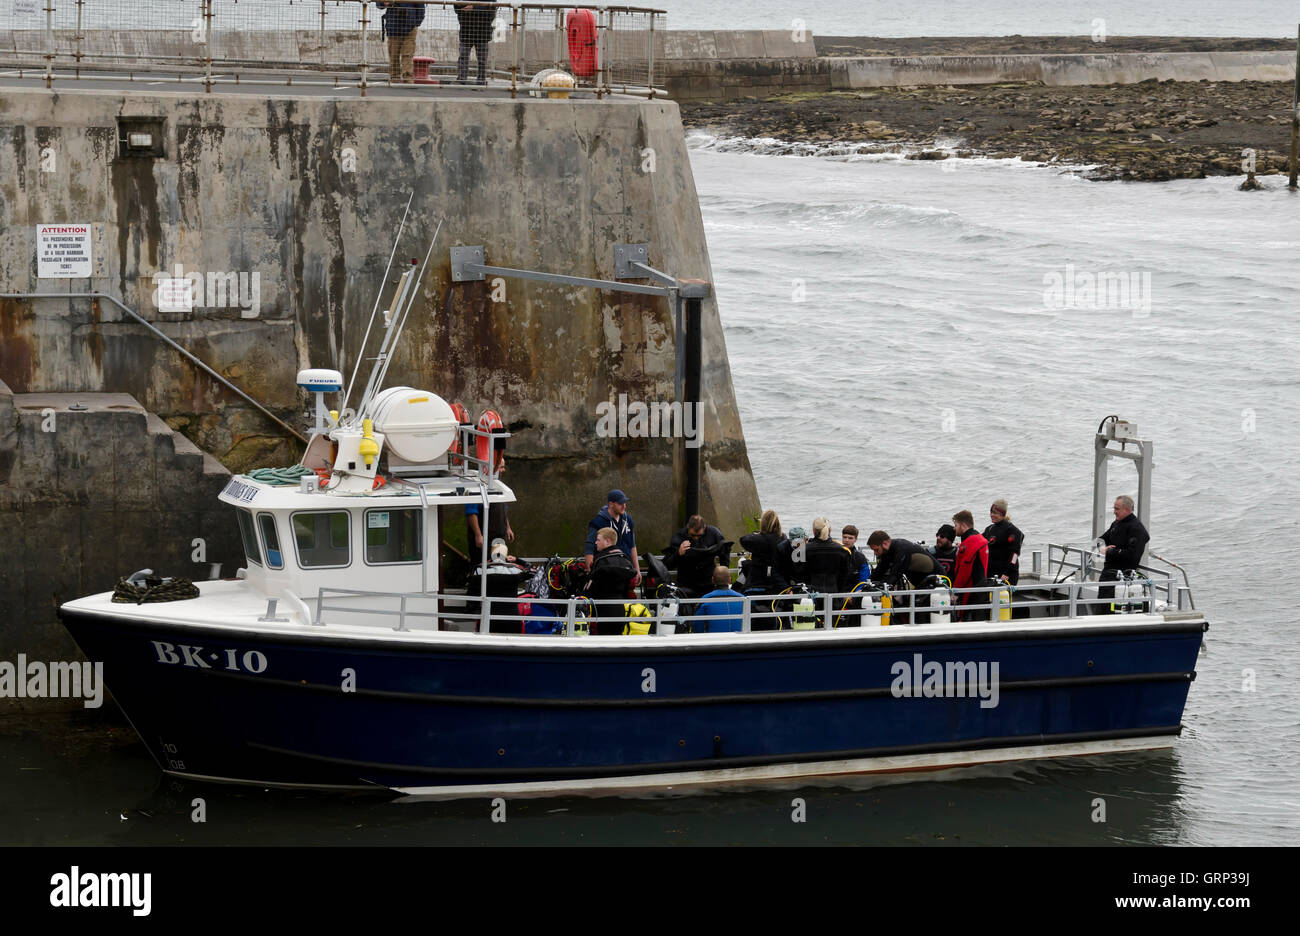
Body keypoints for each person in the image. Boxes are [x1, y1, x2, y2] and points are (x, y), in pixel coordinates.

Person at [1098, 494, 1150, 613]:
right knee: (1102, 608)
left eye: (1117, 509)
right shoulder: (1116, 523)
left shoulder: (1136, 529)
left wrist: (1110, 551)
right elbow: (1100, 540)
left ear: (1126, 510)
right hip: (1107, 575)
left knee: (1112, 611)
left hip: (1123, 579)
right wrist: (1102, 548)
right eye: (1114, 508)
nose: (1114, 512)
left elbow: (1132, 556)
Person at [585, 527, 638, 633]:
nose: (596, 542)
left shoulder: (600, 560)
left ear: (607, 541)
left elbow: (592, 587)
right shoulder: (625, 559)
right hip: (621, 608)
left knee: (602, 643)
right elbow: (628, 586)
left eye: (598, 540)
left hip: (602, 609)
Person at [664, 514, 730, 598]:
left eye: (699, 535)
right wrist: (678, 553)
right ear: (688, 527)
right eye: (692, 535)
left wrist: (723, 576)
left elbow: (725, 552)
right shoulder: (679, 536)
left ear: (704, 528)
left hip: (708, 582)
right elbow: (667, 565)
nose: (695, 538)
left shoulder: (714, 533)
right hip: (686, 582)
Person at [584, 489, 640, 587]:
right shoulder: (598, 522)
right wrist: (590, 570)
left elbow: (632, 546)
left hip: (625, 569)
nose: (624, 506)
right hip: (607, 570)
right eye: (620, 503)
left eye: (625, 503)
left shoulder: (628, 520)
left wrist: (637, 570)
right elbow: (590, 545)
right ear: (611, 504)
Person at [951, 510, 990, 621]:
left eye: (956, 525)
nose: (954, 528)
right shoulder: (979, 538)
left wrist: (955, 591)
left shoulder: (970, 543)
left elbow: (965, 570)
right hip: (981, 587)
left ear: (963, 525)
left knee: (966, 618)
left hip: (971, 590)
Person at [866, 531, 939, 589]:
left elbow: (895, 575)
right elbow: (879, 571)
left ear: (885, 544)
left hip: (937, 581)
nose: (875, 553)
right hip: (920, 581)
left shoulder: (902, 549)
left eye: (876, 550)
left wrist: (878, 587)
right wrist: (865, 587)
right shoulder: (888, 551)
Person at [738, 509, 788, 592]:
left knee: (744, 568)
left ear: (763, 523)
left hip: (758, 579)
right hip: (777, 581)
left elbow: (743, 540)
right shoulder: (783, 537)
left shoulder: (758, 539)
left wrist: (758, 533)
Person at [375, 2, 425, 84]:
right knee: (394, 54)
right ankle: (395, 77)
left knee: (408, 54)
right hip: (394, 26)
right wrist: (384, 3)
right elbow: (379, 4)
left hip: (408, 27)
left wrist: (416, 23)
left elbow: (420, 7)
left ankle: (407, 77)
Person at [804, 516, 851, 595]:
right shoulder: (842, 550)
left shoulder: (803, 549)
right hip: (834, 594)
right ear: (829, 530)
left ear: (814, 531)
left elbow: (798, 573)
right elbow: (844, 576)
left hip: (810, 595)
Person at [983, 498, 1024, 585]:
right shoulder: (989, 529)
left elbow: (1014, 555)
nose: (991, 515)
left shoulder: (1012, 531)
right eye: (991, 512)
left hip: (1006, 574)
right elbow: (979, 542)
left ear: (1002, 514)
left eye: (995, 513)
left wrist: (1006, 573)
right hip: (992, 573)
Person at [692, 566, 746, 633]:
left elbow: (697, 627)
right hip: (739, 640)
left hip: (715, 641)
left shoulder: (705, 600)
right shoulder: (743, 599)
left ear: (712, 580)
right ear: (730, 580)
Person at [455, 2, 495, 85]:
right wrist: (479, 9)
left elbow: (491, 10)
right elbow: (457, 7)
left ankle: (481, 81)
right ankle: (462, 79)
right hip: (467, 30)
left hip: (482, 31)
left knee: (482, 60)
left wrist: (473, 7)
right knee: (463, 57)